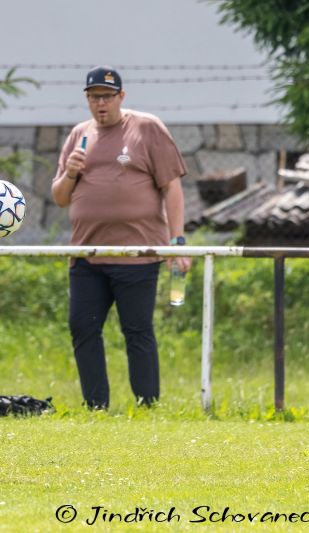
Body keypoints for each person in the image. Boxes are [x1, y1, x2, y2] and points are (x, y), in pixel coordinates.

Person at [51, 66, 191, 409]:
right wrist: (70, 172)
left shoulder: (147, 128)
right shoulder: (79, 135)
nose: (101, 104)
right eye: (94, 97)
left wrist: (177, 243)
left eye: (107, 96)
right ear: (87, 99)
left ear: (121, 97)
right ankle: (95, 405)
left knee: (137, 330)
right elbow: (59, 196)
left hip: (138, 254)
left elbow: (172, 186)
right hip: (87, 255)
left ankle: (147, 404)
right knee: (83, 328)